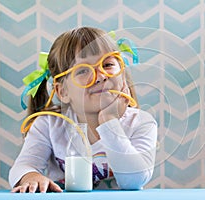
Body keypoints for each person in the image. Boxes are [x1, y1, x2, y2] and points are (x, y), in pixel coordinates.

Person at [8, 27, 158, 193]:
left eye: (107, 64)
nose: (100, 76)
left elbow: (134, 181)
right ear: (62, 91)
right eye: (83, 70)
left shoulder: (141, 122)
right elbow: (22, 165)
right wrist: (30, 176)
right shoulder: (49, 124)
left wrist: (109, 121)